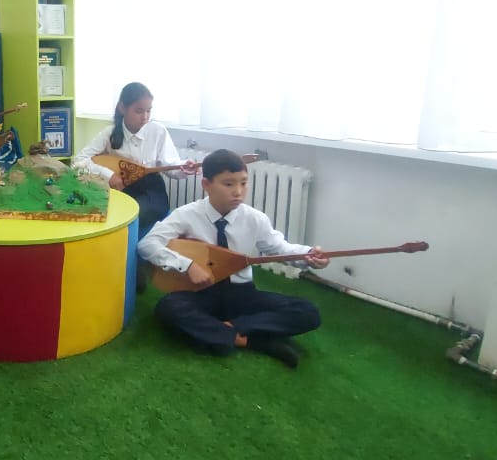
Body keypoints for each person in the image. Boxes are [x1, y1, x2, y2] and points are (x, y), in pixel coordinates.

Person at [138, 149, 328, 369]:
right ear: (206, 184)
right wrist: (187, 265)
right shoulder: (187, 214)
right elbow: (147, 244)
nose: (238, 191)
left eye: (244, 183)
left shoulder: (255, 219)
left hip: (242, 294)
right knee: (168, 308)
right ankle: (252, 341)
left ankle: (221, 332)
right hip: (201, 293)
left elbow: (279, 248)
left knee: (308, 312)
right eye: (228, 184)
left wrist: (308, 255)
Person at [72, 82, 197, 293]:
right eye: (139, 111)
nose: (145, 117)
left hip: (151, 189)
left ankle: (132, 264)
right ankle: (111, 265)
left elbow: (171, 167)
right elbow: (78, 161)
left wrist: (184, 168)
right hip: (122, 188)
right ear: (123, 107)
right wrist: (108, 174)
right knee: (107, 214)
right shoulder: (109, 133)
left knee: (136, 214)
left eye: (148, 111)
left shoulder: (157, 131)